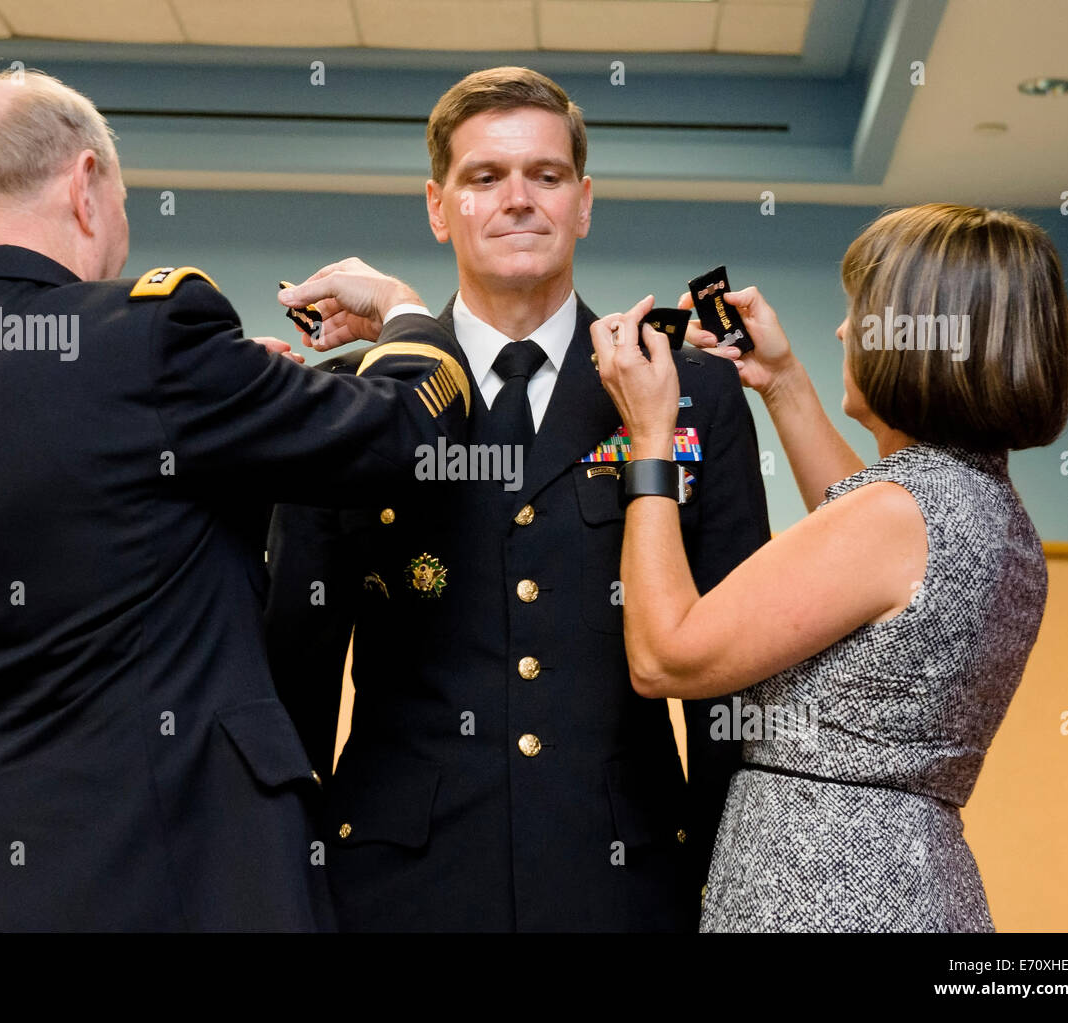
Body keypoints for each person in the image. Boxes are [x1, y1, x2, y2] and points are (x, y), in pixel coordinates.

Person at [0, 70, 468, 931]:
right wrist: (406, 315)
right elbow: (404, 436)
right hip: (191, 878)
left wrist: (229, 420)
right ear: (86, 185)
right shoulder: (151, 337)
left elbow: (81, 536)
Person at [266, 67, 769, 931]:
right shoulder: (353, 398)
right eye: (484, 178)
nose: (518, 200)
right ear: (437, 206)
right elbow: (293, 677)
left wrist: (724, 884)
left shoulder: (687, 392)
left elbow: (734, 679)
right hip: (394, 887)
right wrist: (284, 888)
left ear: (583, 202)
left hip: (622, 882)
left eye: (546, 175)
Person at [590, 203, 1068, 931]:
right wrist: (783, 381)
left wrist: (650, 438)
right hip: (913, 880)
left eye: (862, 312)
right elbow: (854, 539)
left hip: (821, 887)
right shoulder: (985, 511)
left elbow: (665, 655)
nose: (845, 329)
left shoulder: (897, 515)